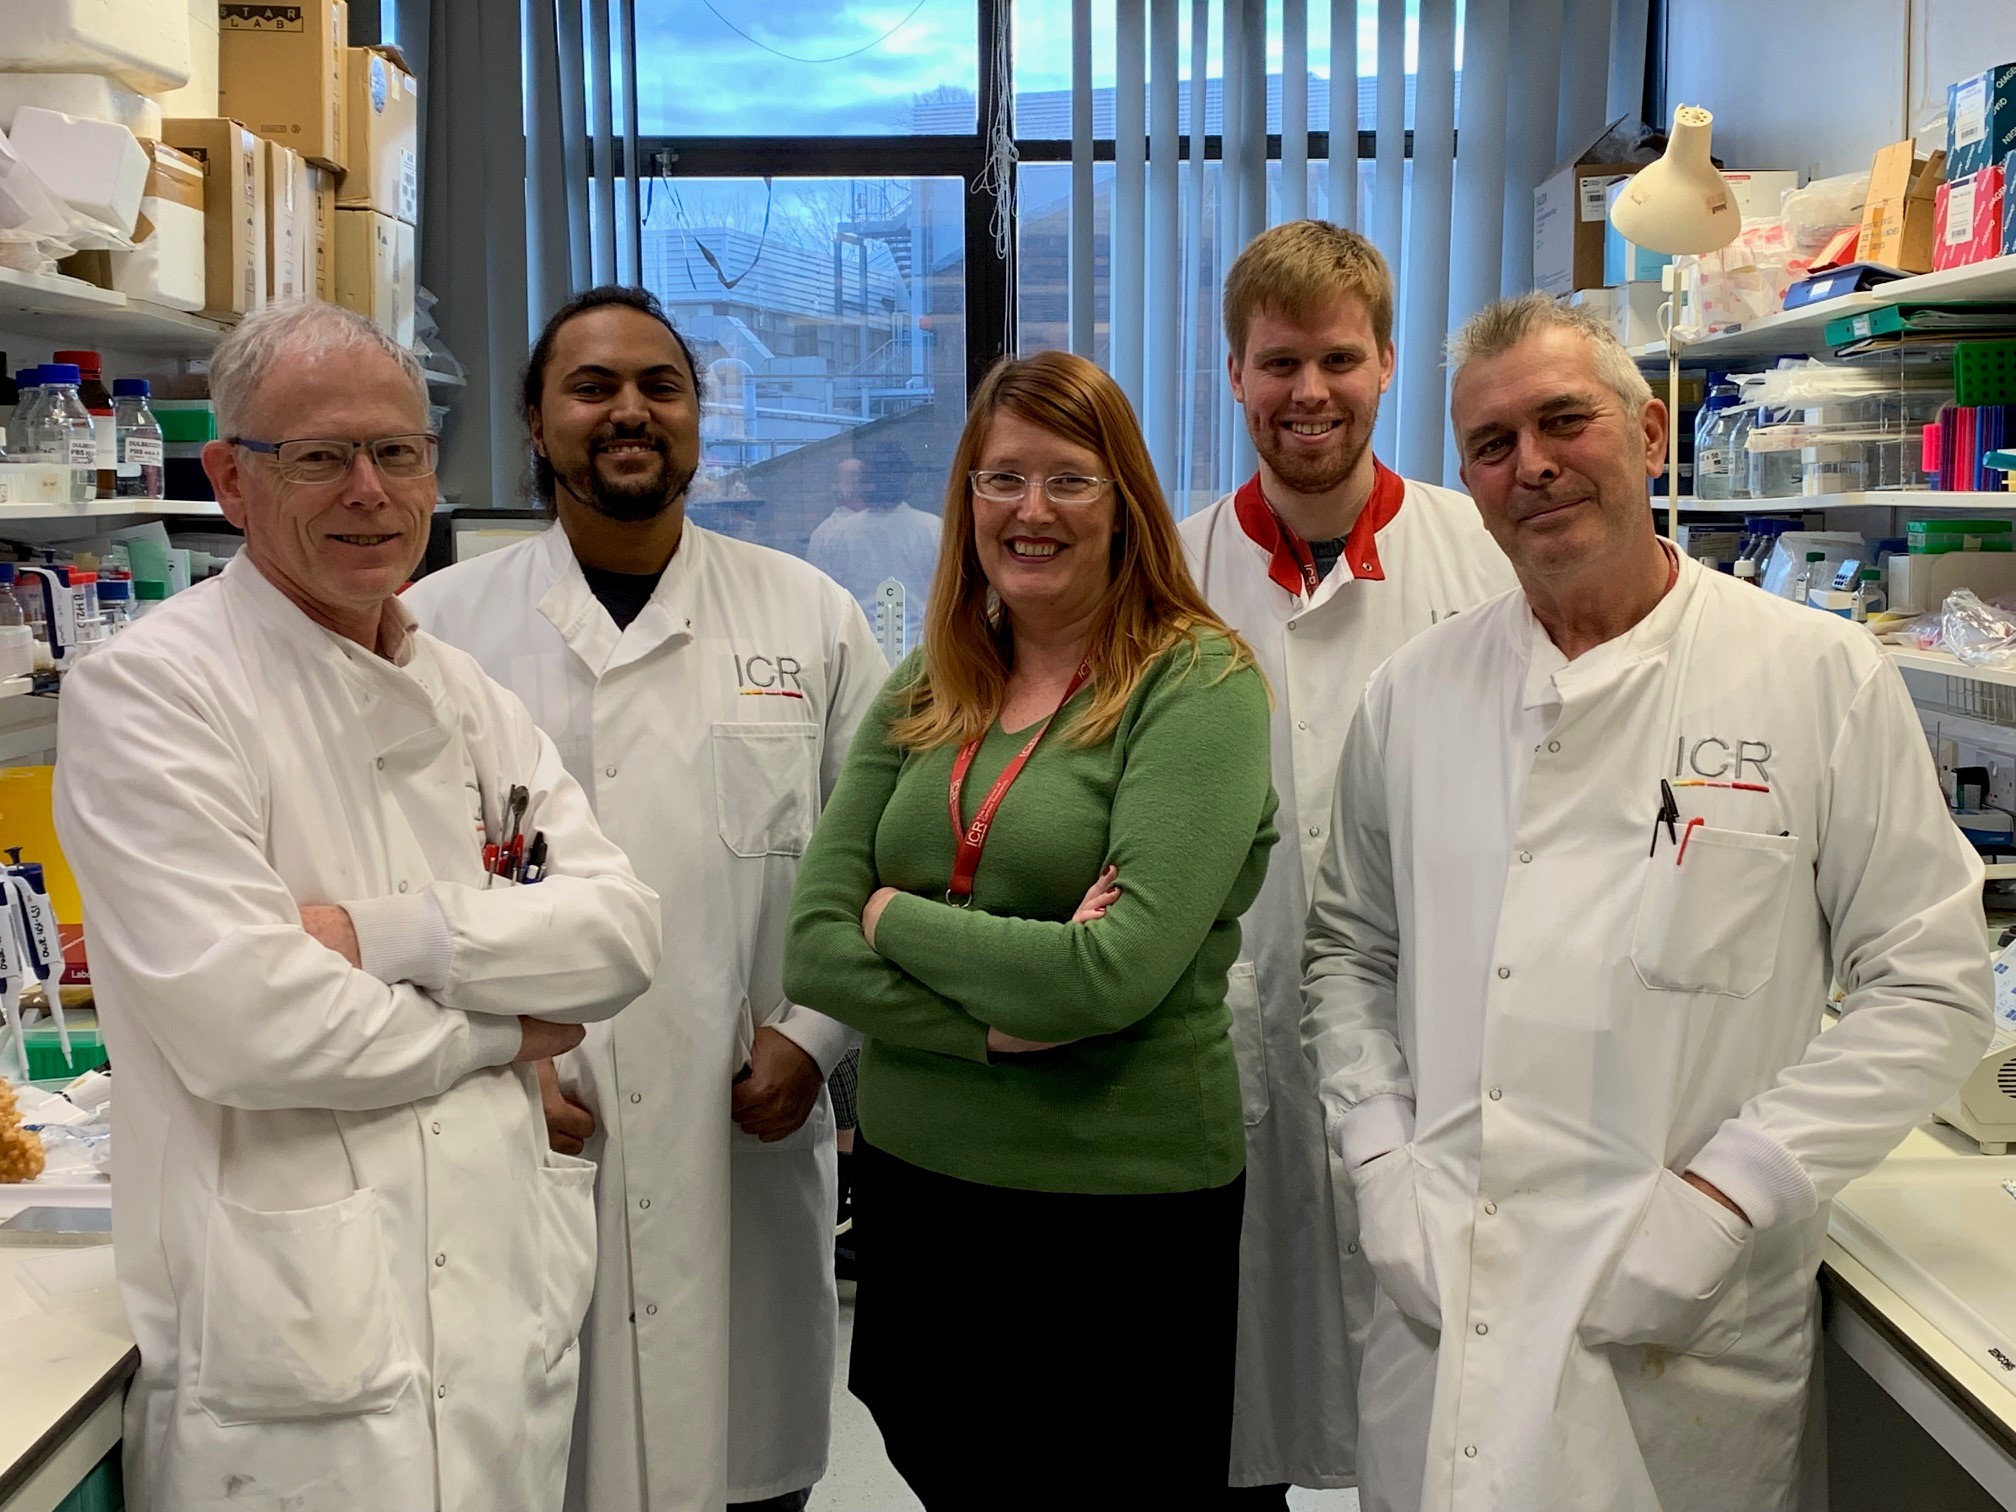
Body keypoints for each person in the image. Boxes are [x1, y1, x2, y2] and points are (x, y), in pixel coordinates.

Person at [1301, 292, 1993, 1512]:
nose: (1534, 467)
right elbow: (1349, 951)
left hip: (1683, 1322)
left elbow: (1928, 989)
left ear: (1653, 432)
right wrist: (1376, 1156)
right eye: (1493, 444)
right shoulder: (1415, 693)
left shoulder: (1814, 675)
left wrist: (1730, 1199)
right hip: (1445, 1290)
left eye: (1566, 421)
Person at [52, 301, 662, 1512]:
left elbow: (620, 934)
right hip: (295, 1367)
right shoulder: (156, 692)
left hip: (496, 1324)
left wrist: (391, 939)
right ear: (230, 478)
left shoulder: (464, 691)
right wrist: (505, 1036)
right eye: (318, 458)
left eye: (396, 453)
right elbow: (256, 1026)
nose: (369, 493)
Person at [405, 286, 884, 1512]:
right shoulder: (437, 633)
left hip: (744, 1129)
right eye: (593, 387)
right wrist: (503, 1063)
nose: (630, 412)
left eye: (660, 387)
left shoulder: (809, 618)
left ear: (698, 418)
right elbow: (394, 888)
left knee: (743, 1469)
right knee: (535, 1465)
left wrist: (815, 1042)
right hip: (524, 1128)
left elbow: (883, 856)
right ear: (533, 423)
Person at [784, 349, 1279, 1510]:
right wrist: (989, 1030)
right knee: (945, 1462)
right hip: (925, 1189)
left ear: (1126, 503)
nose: (1031, 511)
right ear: (966, 501)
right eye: (1001, 480)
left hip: (1117, 1211)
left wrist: (895, 914)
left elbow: (1105, 977)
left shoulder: (1195, 683)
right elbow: (811, 945)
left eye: (1070, 479)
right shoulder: (931, 680)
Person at [1179, 219, 1515, 1505]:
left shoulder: (1481, 551)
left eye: (1336, 359)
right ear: (1234, 375)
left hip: (1448, 1052)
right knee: (1241, 1409)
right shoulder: (1177, 568)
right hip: (1232, 1044)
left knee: (1439, 1426)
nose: (1307, 393)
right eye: (1277, 364)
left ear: (1385, 367)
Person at [806, 439, 941, 656]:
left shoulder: (836, 534)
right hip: (918, 661)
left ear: (865, 483)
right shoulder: (934, 530)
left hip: (860, 659)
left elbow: (818, 608)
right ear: (907, 482)